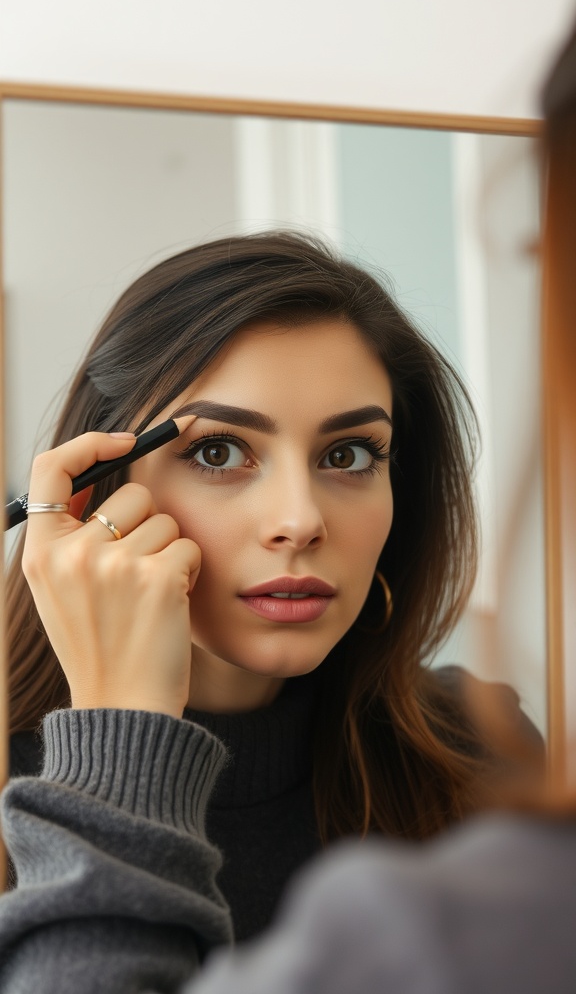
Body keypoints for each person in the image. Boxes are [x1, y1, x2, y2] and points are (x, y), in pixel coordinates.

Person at [0, 231, 542, 991]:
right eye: (219, 452)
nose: (300, 519)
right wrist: (121, 730)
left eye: (349, 454)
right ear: (95, 488)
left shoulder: (480, 753)